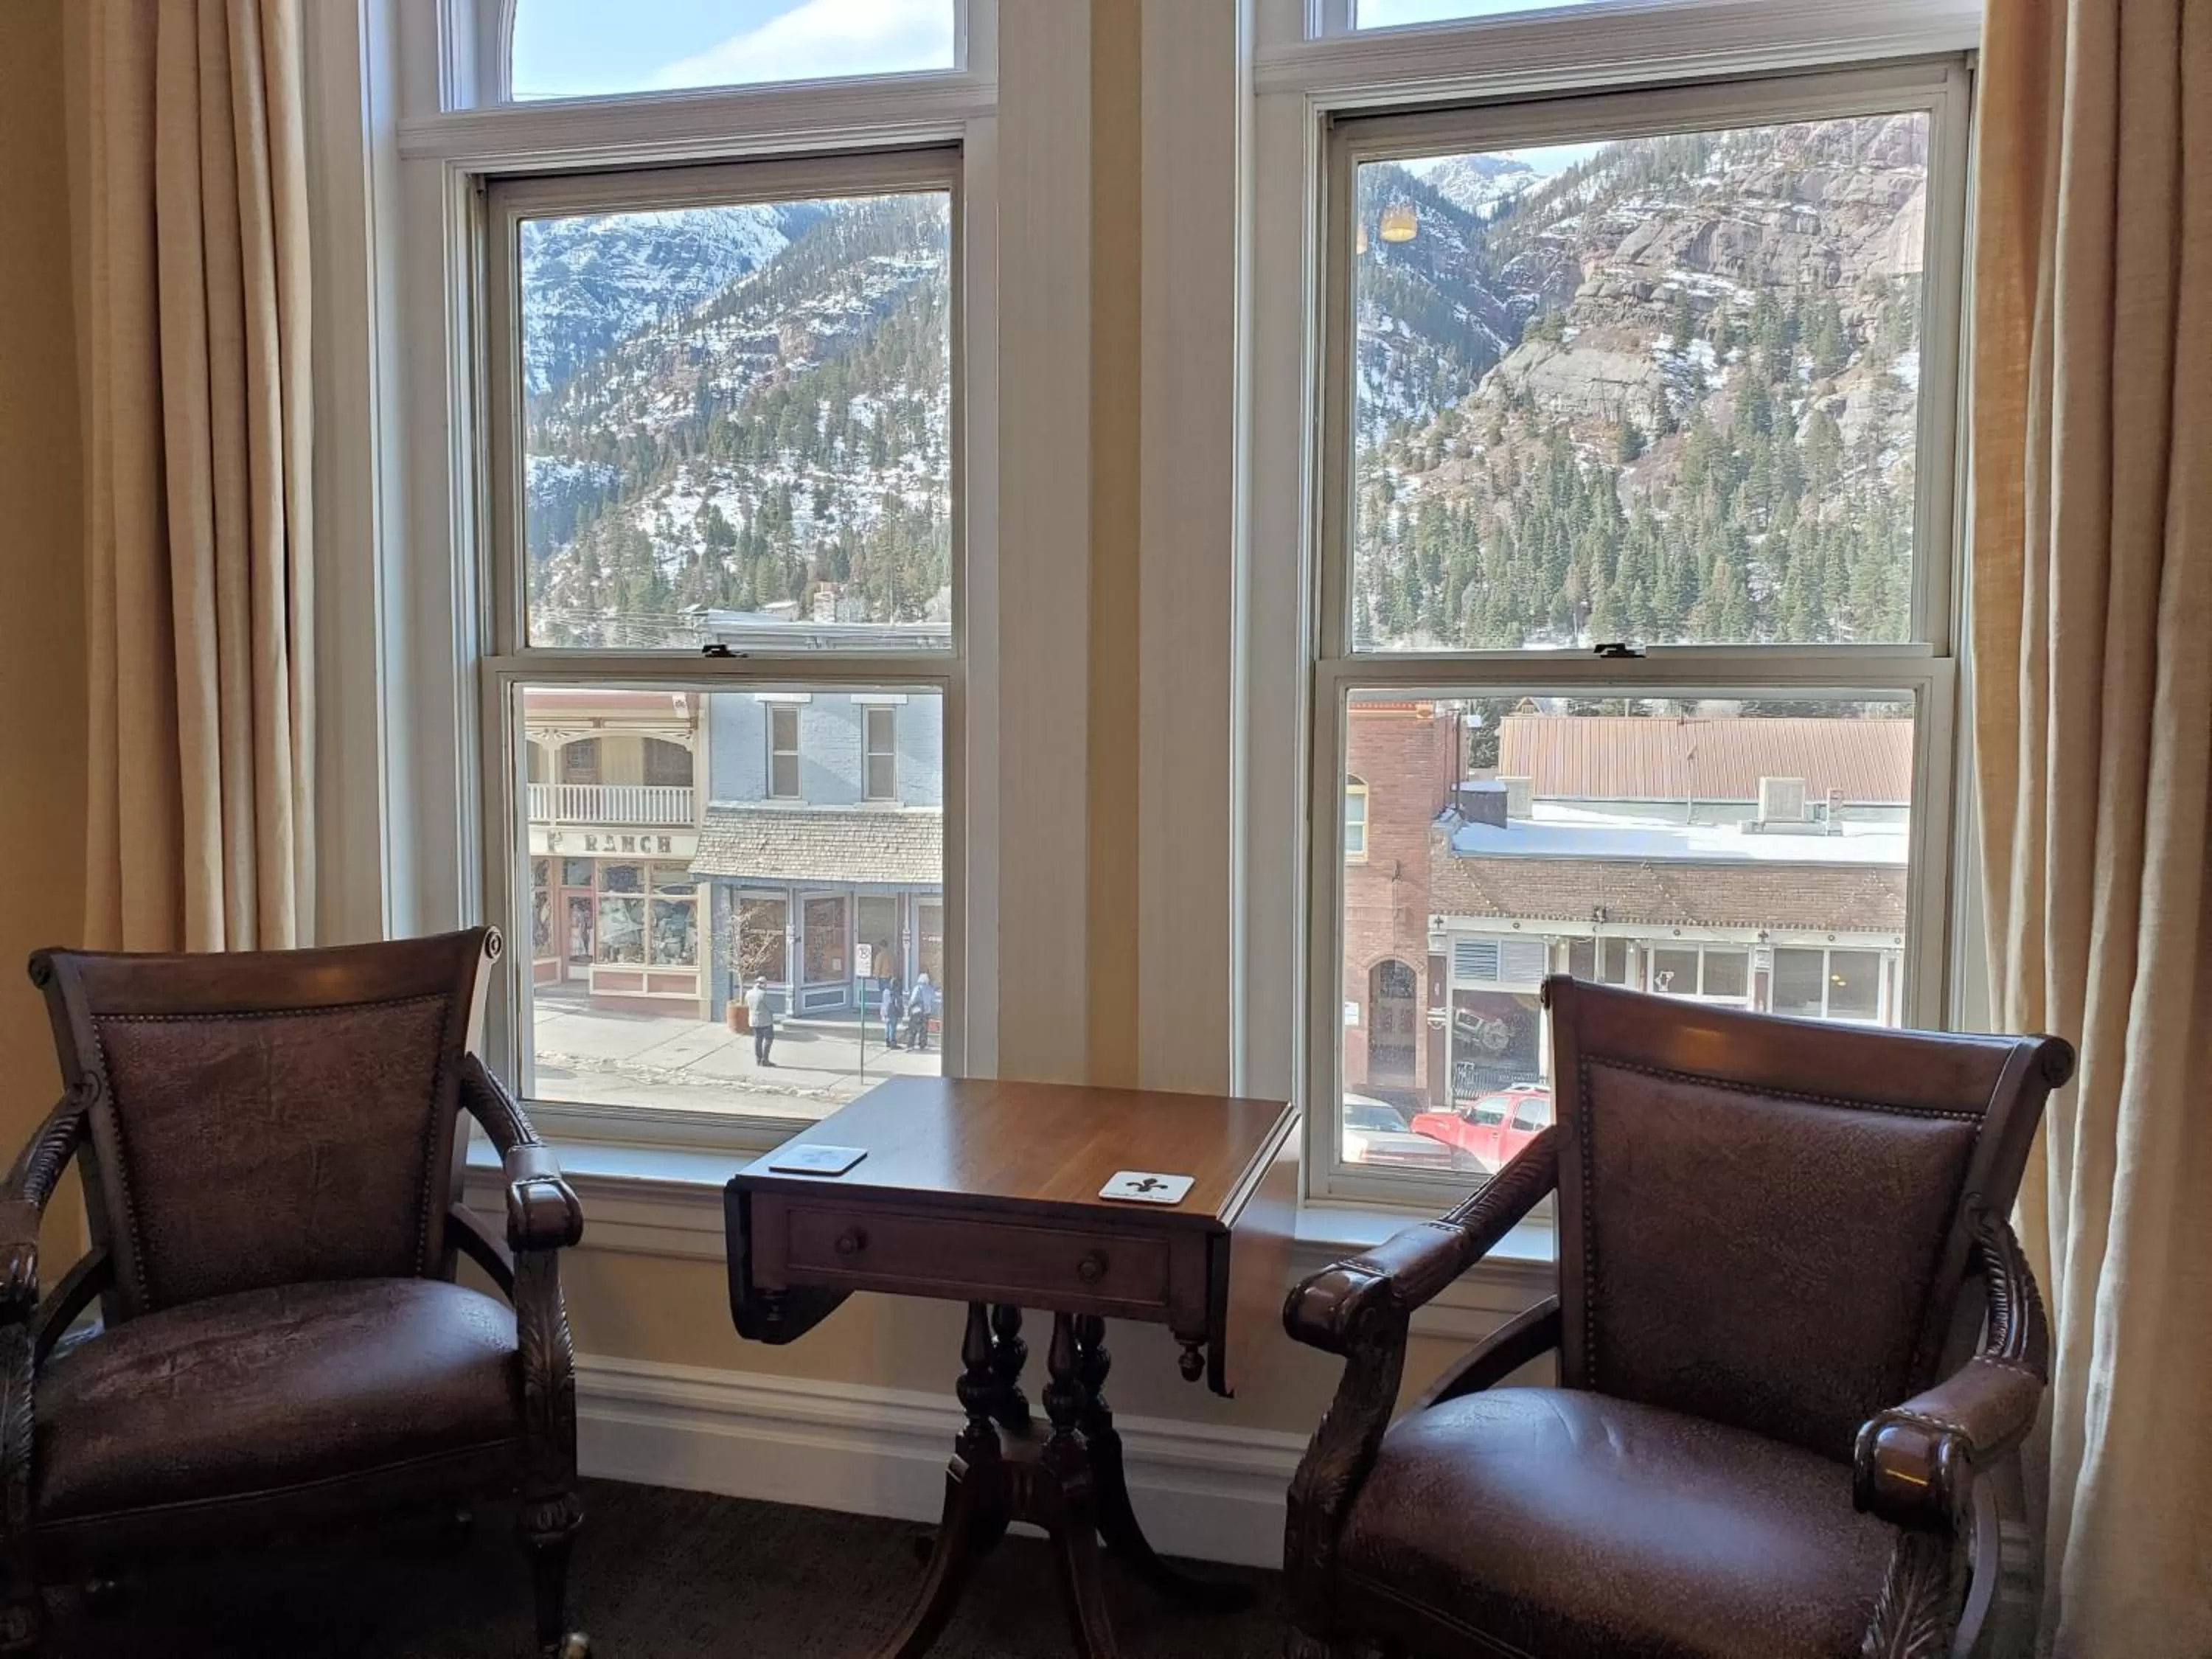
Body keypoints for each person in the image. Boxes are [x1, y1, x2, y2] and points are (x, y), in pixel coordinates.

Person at [745, 976, 777, 1067]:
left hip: (754, 1020)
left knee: (758, 1039)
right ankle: (765, 1060)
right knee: (769, 1039)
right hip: (765, 1020)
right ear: (763, 984)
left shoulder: (749, 993)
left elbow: (747, 1004)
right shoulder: (763, 994)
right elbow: (771, 1006)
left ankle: (758, 1059)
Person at [906, 972, 938, 1054]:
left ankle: (910, 1045)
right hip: (926, 1012)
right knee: (924, 1030)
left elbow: (913, 1000)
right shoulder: (930, 989)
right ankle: (923, 1044)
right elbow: (933, 999)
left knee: (913, 1029)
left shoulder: (918, 988)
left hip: (917, 1011)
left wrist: (909, 1007)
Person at [880, 966, 905, 1050]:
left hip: (885, 1010)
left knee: (887, 1026)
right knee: (893, 1027)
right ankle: (892, 1042)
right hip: (892, 1011)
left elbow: (883, 1001)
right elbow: (897, 1003)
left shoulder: (886, 991)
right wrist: (901, 1012)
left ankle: (887, 1040)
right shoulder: (894, 992)